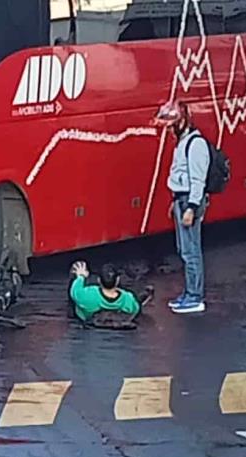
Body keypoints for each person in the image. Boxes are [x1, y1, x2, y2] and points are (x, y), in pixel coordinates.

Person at [154, 100, 209, 314]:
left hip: (189, 201)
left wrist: (191, 208)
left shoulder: (196, 145)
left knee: (191, 251)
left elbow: (198, 180)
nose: (168, 130)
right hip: (182, 200)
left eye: (171, 125)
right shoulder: (184, 142)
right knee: (185, 249)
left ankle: (195, 296)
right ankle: (190, 293)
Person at [69, 262, 142, 323]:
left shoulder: (87, 294)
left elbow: (75, 292)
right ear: (118, 280)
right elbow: (135, 309)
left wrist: (81, 276)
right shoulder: (128, 298)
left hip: (89, 323)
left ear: (98, 280)